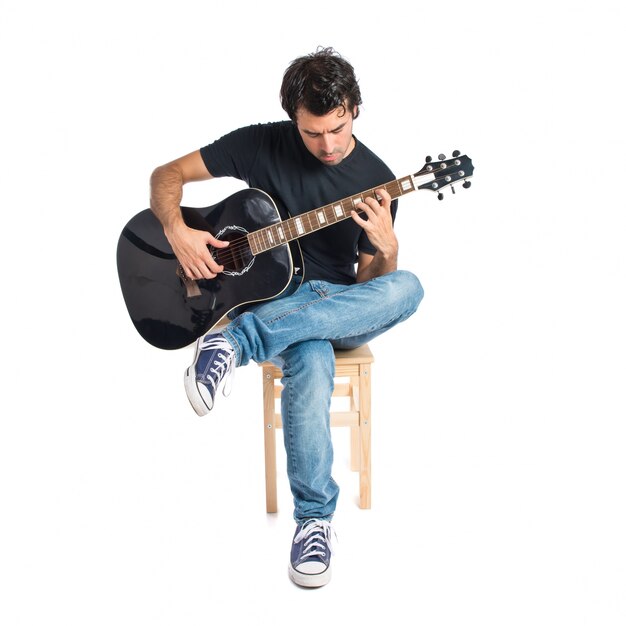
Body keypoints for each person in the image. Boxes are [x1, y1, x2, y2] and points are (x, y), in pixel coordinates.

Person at [149, 47, 424, 587]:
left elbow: (369, 291)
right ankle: (315, 522)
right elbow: (166, 174)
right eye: (313, 132)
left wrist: (387, 247)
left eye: (338, 128)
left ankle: (235, 345)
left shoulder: (378, 179)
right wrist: (177, 231)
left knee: (408, 286)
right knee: (312, 359)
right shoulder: (260, 143)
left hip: (337, 305)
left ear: (355, 110)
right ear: (293, 118)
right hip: (275, 302)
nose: (328, 145)